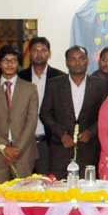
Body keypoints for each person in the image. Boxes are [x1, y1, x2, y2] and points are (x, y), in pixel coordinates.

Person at [40, 46, 108, 179]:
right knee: (59, 190)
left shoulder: (100, 85)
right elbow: (45, 113)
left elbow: (105, 116)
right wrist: (61, 134)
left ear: (87, 61)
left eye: (81, 58)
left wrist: (91, 132)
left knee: (88, 192)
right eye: (73, 59)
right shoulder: (54, 84)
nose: (77, 62)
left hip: (89, 149)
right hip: (60, 149)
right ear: (67, 62)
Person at [0, 45, 39, 184]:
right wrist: (4, 147)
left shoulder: (30, 88)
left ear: (18, 64)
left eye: (13, 60)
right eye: (6, 60)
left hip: (23, 153)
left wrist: (17, 148)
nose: (10, 64)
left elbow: (31, 121)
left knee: (24, 198)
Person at [18, 37, 67, 175]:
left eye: (43, 50)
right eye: (35, 50)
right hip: (23, 141)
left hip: (48, 141)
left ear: (49, 54)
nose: (39, 54)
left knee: (46, 183)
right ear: (30, 53)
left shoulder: (60, 77)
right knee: (22, 186)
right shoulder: (20, 77)